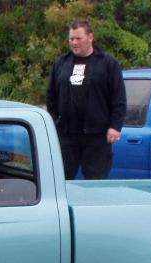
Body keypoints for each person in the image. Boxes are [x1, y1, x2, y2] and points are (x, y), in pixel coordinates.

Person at [46, 19, 126, 180]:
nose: (74, 42)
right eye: (71, 39)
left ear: (90, 37)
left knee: (96, 182)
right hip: (67, 135)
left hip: (97, 136)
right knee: (62, 179)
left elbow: (118, 97)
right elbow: (51, 96)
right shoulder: (61, 63)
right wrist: (55, 121)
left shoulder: (107, 63)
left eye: (78, 38)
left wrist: (115, 126)